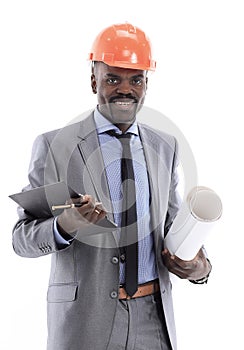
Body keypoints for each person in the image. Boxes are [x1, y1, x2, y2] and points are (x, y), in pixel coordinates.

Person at [12, 23, 212, 350]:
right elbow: (21, 238)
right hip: (85, 321)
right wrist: (65, 226)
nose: (125, 89)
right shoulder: (55, 147)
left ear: (146, 84)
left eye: (136, 80)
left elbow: (174, 227)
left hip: (153, 317)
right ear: (94, 81)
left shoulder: (165, 146)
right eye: (113, 78)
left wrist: (199, 267)